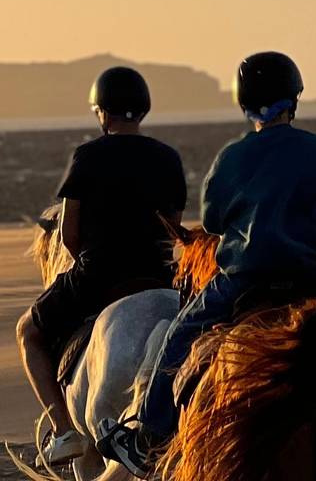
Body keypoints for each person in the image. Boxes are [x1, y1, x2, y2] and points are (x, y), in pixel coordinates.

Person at [98, 51, 316, 475]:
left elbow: (214, 221)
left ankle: (146, 435)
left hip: (246, 278)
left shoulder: (231, 158)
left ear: (244, 103)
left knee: (179, 337)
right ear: (295, 98)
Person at [16, 67, 188, 465]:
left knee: (28, 333)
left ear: (101, 112)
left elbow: (69, 235)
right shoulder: (168, 158)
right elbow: (174, 227)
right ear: (142, 111)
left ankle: (64, 432)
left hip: (99, 272)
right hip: (161, 275)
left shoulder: (88, 156)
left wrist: (88, 267)